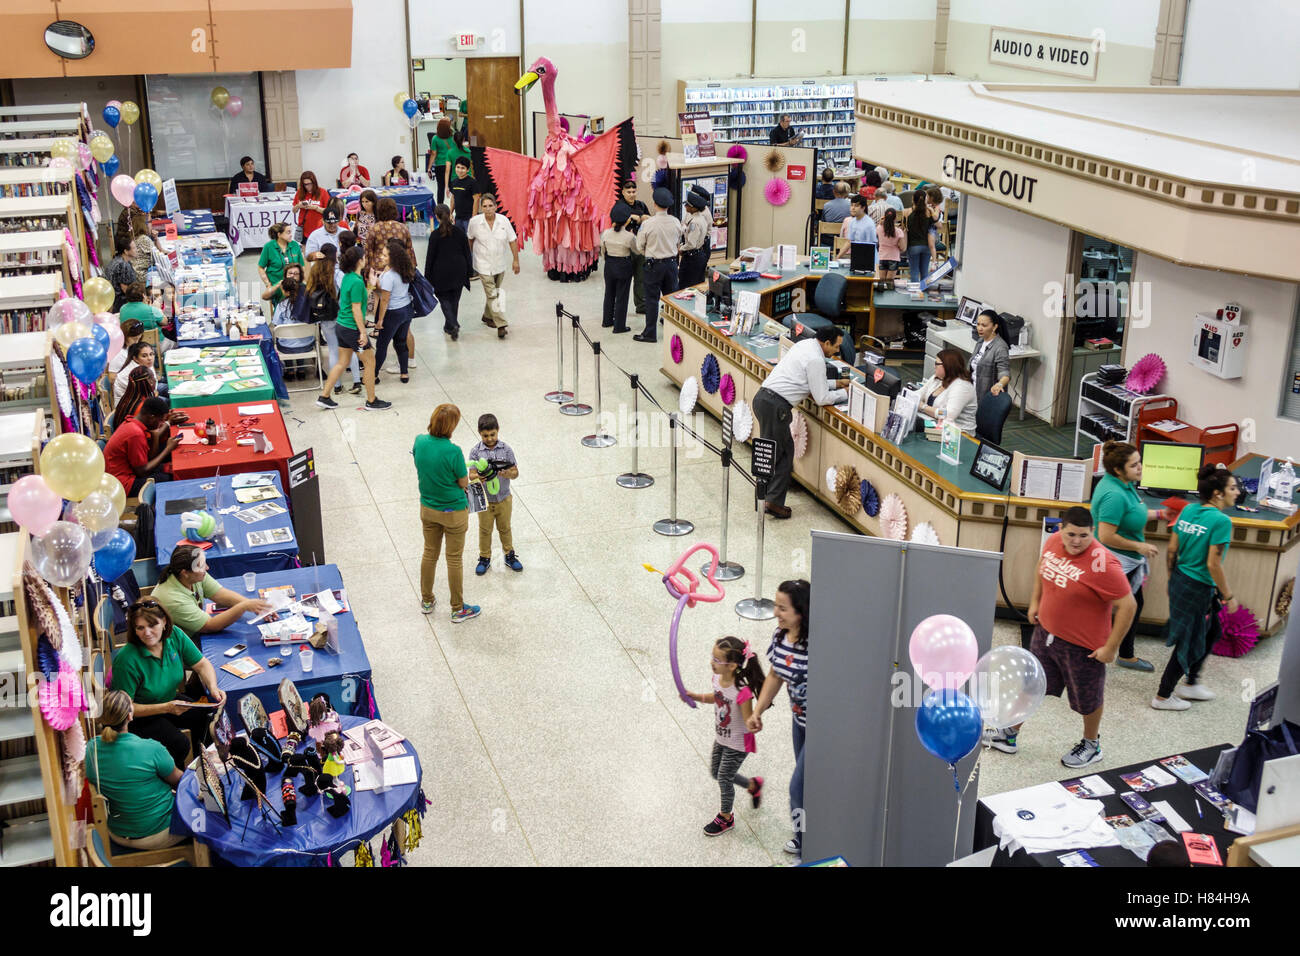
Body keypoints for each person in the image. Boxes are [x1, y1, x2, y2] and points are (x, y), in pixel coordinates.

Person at [987, 506, 1136, 769]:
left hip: (1083, 648)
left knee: (1087, 701)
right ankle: (1009, 735)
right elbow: (1041, 568)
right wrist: (1035, 603)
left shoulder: (1104, 564)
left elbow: (1128, 605)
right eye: (1071, 534)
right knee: (1031, 685)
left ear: (1093, 532)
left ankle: (1091, 745)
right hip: (1046, 634)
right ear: (1060, 529)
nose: (1076, 541)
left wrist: (1111, 648)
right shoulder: (1054, 541)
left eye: (1083, 535)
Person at [1152, 466, 1239, 711]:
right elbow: (1213, 563)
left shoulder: (1189, 509)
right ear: (1218, 494)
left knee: (1212, 632)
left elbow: (1172, 550)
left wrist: (1172, 581)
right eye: (1232, 487)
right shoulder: (1221, 521)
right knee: (1189, 641)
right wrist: (1228, 595)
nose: (1237, 492)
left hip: (1181, 579)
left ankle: (1191, 682)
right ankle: (1163, 696)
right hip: (1198, 586)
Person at [110, 599, 226, 770]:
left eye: (152, 625)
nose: (147, 633)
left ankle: (206, 766)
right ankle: (175, 780)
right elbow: (125, 709)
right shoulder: (126, 660)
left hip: (169, 700)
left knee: (208, 718)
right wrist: (165, 708)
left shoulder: (175, 635)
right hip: (139, 716)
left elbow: (202, 664)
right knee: (178, 745)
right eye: (140, 628)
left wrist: (213, 687)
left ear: (164, 622)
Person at [752, 327, 850, 518]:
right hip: (777, 407)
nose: (837, 351)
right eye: (836, 346)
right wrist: (845, 393)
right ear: (827, 343)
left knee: (771, 451)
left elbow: (806, 380)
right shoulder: (816, 359)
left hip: (763, 399)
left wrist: (835, 384)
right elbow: (821, 398)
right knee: (782, 454)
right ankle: (772, 502)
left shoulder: (805, 345)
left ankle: (764, 498)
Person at [748, 579, 810, 859]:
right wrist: (758, 711)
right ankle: (808, 834)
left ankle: (805, 845)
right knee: (808, 783)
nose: (776, 613)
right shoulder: (780, 637)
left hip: (824, 729)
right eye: (775, 605)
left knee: (797, 786)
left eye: (783, 608)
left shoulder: (817, 644)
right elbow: (775, 675)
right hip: (800, 723)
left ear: (801, 612)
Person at [84, 690, 187, 850]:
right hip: (158, 832)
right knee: (213, 816)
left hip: (118, 833)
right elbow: (182, 782)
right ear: (130, 716)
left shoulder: (91, 749)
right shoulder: (151, 748)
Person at [683, 636, 765, 836]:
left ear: (732, 665)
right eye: (712, 657)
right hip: (721, 737)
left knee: (724, 778)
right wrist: (697, 697)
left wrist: (754, 723)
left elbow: (747, 720)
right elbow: (717, 697)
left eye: (717, 660)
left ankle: (726, 818)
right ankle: (753, 784)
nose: (712, 662)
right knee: (716, 773)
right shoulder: (717, 679)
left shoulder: (742, 691)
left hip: (737, 743)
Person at [1091, 441, 1162, 672]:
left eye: (1139, 462)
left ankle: (1125, 653)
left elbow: (1134, 514)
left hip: (1125, 561)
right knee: (1123, 605)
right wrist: (1139, 547)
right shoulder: (1114, 494)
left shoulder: (1124, 484)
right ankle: (1117, 653)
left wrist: (1160, 513)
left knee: (1134, 603)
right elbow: (1106, 535)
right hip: (1115, 560)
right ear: (1119, 470)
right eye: (1134, 465)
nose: (1140, 468)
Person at [414, 403, 480, 623]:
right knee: (454, 559)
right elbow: (463, 481)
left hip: (428, 508)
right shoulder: (453, 451)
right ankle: (457, 608)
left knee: (429, 553)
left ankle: (426, 600)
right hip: (453, 512)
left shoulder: (419, 442)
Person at [315, 245, 389, 410]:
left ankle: (325, 396)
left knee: (343, 362)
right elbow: (356, 309)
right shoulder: (355, 281)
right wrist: (362, 332)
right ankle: (371, 400)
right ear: (359, 260)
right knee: (370, 362)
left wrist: (369, 285)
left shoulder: (348, 277)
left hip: (342, 326)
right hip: (352, 329)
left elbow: (358, 300)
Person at [151, 546, 272, 638]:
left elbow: (220, 594)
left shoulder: (193, 574)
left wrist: (257, 606)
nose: (207, 568)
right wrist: (244, 606)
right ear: (185, 572)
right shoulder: (173, 599)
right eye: (202, 565)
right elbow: (210, 625)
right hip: (178, 646)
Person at [468, 413, 521, 575]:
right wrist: (479, 477)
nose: (490, 438)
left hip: (504, 497)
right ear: (479, 433)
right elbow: (471, 475)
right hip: (485, 500)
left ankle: (509, 554)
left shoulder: (506, 450)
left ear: (498, 431)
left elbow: (515, 472)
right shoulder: (476, 452)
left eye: (493, 434)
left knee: (505, 527)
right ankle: (484, 557)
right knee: (485, 529)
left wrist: (509, 474)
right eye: (485, 436)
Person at [306, 244, 360, 394]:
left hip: (325, 316)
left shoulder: (315, 271)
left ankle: (337, 386)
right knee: (350, 349)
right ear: (335, 254)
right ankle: (356, 382)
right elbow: (346, 292)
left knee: (332, 350)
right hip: (342, 315)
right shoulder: (338, 273)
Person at [632, 187, 682, 343]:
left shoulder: (648, 224)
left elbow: (639, 246)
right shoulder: (675, 222)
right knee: (671, 299)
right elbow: (678, 242)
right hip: (672, 264)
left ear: (654, 204)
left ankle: (650, 333)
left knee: (652, 299)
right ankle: (672, 330)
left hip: (653, 265)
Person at [466, 194, 519, 340]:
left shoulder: (503, 221)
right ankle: (501, 324)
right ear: (480, 208)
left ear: (495, 206)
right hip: (482, 264)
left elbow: (512, 240)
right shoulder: (475, 222)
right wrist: (467, 261)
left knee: (494, 291)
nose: (488, 209)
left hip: (499, 263)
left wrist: (516, 260)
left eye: (491, 206)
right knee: (492, 294)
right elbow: (470, 240)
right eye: (485, 206)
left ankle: (487, 316)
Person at [104, 397, 179, 496]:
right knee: (170, 478)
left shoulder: (132, 422)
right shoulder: (135, 434)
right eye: (161, 421)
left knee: (170, 467)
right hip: (123, 484)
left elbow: (149, 457)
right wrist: (167, 449)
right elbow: (142, 472)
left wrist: (156, 433)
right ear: (151, 417)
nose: (161, 424)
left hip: (130, 471)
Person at [425, 204, 472, 341]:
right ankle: (450, 326)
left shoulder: (435, 235)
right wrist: (469, 270)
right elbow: (467, 252)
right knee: (454, 300)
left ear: (437, 217)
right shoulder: (459, 232)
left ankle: (453, 324)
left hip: (441, 272)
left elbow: (430, 258)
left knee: (444, 300)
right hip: (459, 269)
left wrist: (427, 277)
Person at [374, 238, 415, 383]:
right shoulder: (406, 270)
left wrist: (380, 321)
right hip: (406, 309)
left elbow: (385, 300)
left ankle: (374, 375)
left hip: (392, 313)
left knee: (382, 345)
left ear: (393, 258)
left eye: (385, 255)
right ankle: (404, 373)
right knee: (401, 342)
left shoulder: (389, 276)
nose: (382, 257)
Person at [918, 348, 976, 432]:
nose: (934, 366)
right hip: (936, 425)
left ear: (948, 366)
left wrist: (922, 407)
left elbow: (947, 414)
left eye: (936, 363)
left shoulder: (962, 387)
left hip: (959, 434)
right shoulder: (938, 378)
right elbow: (918, 394)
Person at [600, 203, 635, 332]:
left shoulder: (605, 233)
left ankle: (607, 320)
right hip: (623, 265)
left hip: (609, 265)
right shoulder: (630, 236)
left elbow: (602, 251)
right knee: (622, 296)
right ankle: (619, 326)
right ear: (627, 220)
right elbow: (636, 250)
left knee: (609, 293)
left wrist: (607, 259)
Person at [616, 180, 650, 314]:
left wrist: (641, 217)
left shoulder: (641, 205)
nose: (631, 194)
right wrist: (632, 218)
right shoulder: (618, 207)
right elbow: (615, 223)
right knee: (623, 280)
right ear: (623, 192)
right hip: (625, 249)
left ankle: (641, 305)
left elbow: (649, 219)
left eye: (633, 192)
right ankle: (619, 309)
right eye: (628, 192)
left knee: (641, 278)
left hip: (640, 247)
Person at [257, 222, 305, 308]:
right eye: (288, 232)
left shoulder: (295, 245)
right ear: (279, 234)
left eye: (291, 232)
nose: (291, 235)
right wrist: (268, 285)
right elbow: (261, 267)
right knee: (282, 308)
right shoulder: (269, 247)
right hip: (277, 285)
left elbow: (302, 266)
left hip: (295, 285)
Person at [971, 309, 1012, 406]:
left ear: (994, 327)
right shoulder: (980, 341)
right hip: (973, 391)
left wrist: (1000, 384)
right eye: (978, 324)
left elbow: (1005, 372)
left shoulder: (1000, 347)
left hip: (985, 395)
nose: (979, 328)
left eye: (984, 325)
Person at [677, 189, 712, 291]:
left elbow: (691, 243)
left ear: (693, 208)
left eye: (687, 205)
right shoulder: (700, 218)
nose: (685, 206)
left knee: (685, 285)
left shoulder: (694, 223)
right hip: (699, 254)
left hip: (692, 258)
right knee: (697, 284)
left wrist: (681, 248)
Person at [902, 188, 936, 284]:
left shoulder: (907, 212)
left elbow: (904, 227)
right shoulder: (929, 212)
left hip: (913, 246)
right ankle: (924, 292)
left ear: (913, 199)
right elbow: (935, 223)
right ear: (925, 199)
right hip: (926, 245)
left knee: (914, 271)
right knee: (924, 271)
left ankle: (915, 292)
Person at [112, 341, 158, 408]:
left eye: (151, 354)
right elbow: (142, 396)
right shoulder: (133, 374)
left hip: (144, 398)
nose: (150, 358)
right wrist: (154, 393)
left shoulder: (145, 364)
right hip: (129, 407)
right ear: (135, 359)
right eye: (144, 356)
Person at [447, 156, 480, 232]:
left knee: (469, 239)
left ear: (467, 170)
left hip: (469, 218)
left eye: (463, 168)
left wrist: (474, 217)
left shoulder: (472, 182)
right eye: (458, 167)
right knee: (459, 239)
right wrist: (450, 213)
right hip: (458, 217)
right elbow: (453, 198)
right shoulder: (454, 182)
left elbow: (476, 199)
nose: (460, 170)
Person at [292, 171, 328, 240]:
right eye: (305, 184)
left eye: (310, 184)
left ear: (314, 182)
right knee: (305, 249)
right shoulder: (300, 192)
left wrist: (316, 208)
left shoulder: (322, 192)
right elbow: (294, 210)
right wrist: (298, 206)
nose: (308, 186)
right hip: (305, 228)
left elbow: (328, 211)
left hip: (319, 228)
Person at [105, 237, 138, 312]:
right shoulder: (122, 264)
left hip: (113, 300)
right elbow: (125, 289)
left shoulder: (118, 260)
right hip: (120, 304)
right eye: (134, 248)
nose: (136, 250)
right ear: (126, 251)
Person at [428, 120, 454, 203]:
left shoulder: (435, 138)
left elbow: (433, 154)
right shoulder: (452, 137)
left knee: (440, 187)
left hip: (440, 165)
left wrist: (429, 168)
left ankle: (440, 207)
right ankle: (456, 206)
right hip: (451, 164)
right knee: (453, 187)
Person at [876, 208, 905, 281]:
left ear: (884, 217)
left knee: (882, 281)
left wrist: (881, 221)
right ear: (895, 218)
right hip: (894, 257)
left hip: (882, 257)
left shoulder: (879, 228)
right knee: (889, 283)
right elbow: (902, 247)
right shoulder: (898, 231)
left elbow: (877, 231)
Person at [129, 211, 155, 283]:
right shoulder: (144, 239)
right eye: (149, 222)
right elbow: (156, 257)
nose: (151, 225)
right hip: (143, 275)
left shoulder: (134, 238)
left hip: (136, 273)